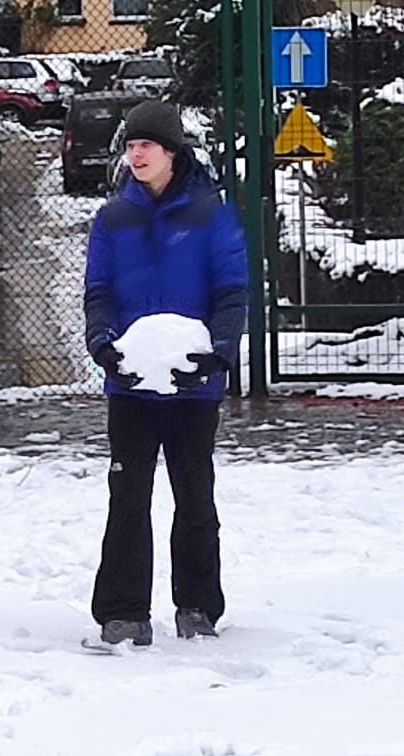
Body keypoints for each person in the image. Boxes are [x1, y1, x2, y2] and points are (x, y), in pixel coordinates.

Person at [82, 100, 248, 648]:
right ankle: (122, 611)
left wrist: (218, 354)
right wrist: (104, 348)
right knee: (128, 496)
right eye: (130, 146)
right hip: (130, 386)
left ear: (173, 152)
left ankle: (198, 605)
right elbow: (98, 294)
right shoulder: (112, 219)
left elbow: (231, 292)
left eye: (147, 145)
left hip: (193, 386)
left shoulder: (210, 216)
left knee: (194, 494)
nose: (137, 154)